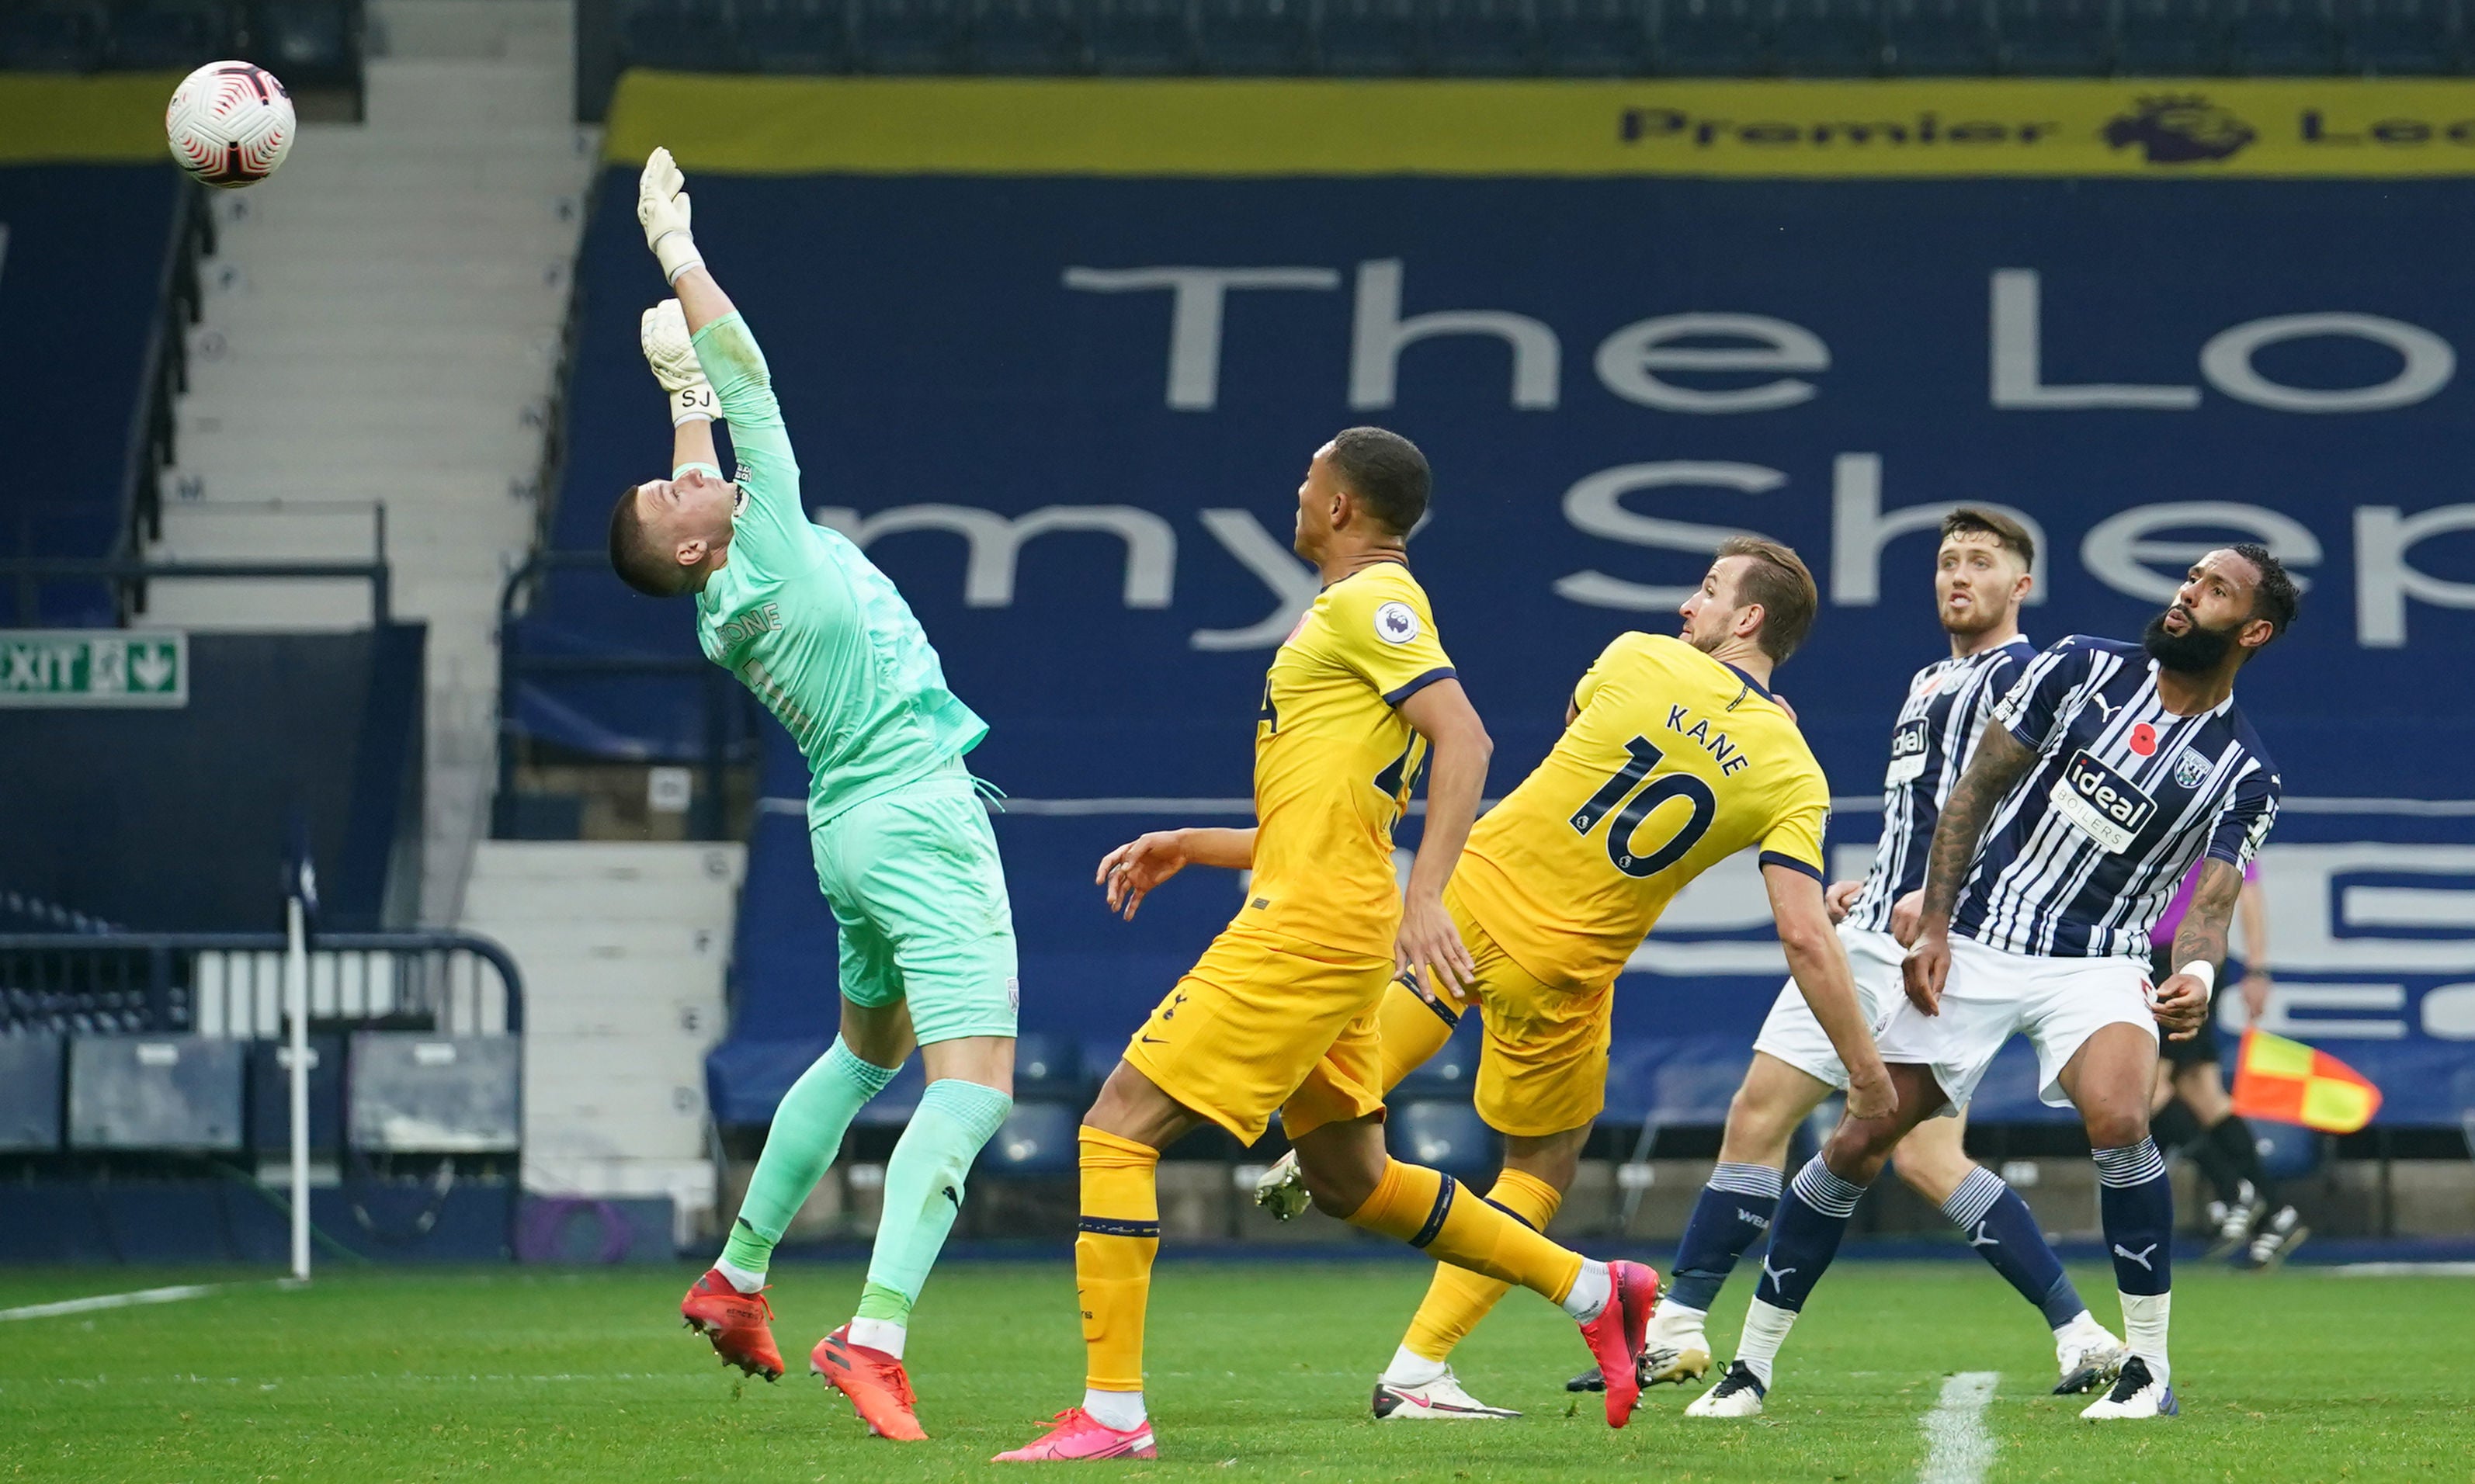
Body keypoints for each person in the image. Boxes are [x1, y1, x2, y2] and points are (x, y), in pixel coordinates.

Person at [994, 428, 1656, 1463]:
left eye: (1308, 480)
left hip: (1305, 932)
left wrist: (1428, 897)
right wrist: (1193, 845)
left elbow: (1468, 738)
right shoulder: (1351, 621)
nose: (1297, 493)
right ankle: (1592, 1288)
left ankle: (1114, 1415)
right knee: (1350, 1177)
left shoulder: (1369, 605)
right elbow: (1332, 820)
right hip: (1330, 924)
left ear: (1342, 505)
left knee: (1117, 1130)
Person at [1255, 536, 1898, 1422]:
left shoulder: (1634, 655)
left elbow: (1576, 737)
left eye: (1707, 591)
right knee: (1541, 1163)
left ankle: (1328, 1122)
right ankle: (1415, 1370)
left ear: (1746, 619)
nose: (1687, 605)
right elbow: (1801, 931)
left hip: (1475, 886)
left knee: (1428, 995)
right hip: (1562, 962)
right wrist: (1864, 1072)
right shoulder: (1793, 769)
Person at [1693, 544, 2296, 1423]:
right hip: (1975, 937)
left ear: (2251, 630)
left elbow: (2208, 903)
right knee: (1862, 1143)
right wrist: (1933, 920)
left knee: (2123, 1115)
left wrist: (2196, 971)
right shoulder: (2079, 666)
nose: (2184, 595)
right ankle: (1748, 1366)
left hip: (2098, 958)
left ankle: (2148, 1371)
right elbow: (1972, 792)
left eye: (2212, 591)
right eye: (2188, 579)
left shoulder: (2247, 772)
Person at [613, 150, 1019, 1442]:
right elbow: (752, 382)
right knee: (974, 1085)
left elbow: (702, 450)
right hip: (916, 812)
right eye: (673, 486)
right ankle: (877, 1328)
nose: (691, 467)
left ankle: (736, 1275)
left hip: (845, 828)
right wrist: (676, 249)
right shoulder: (765, 531)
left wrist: (676, 397)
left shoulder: (720, 600)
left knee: (865, 1052)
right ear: (693, 542)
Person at [1607, 509, 2121, 1406]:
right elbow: (1921, 816)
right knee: (1755, 1116)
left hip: (1938, 946)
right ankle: (1678, 1330)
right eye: (1945, 561)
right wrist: (1872, 880)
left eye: (1980, 562)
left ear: (2018, 586)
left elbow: (2014, 821)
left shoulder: (2029, 677)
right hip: (1869, 931)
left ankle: (2081, 1331)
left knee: (1922, 1158)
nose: (1957, 575)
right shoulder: (1927, 679)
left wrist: (1940, 906)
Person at [2146, 859, 2305, 1267]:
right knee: (2202, 1091)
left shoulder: (2214, 814)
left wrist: (2257, 967)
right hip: (2150, 959)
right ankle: (2274, 1211)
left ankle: (2234, 1189)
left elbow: (2247, 890)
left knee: (2146, 1089)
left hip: (2182, 962)